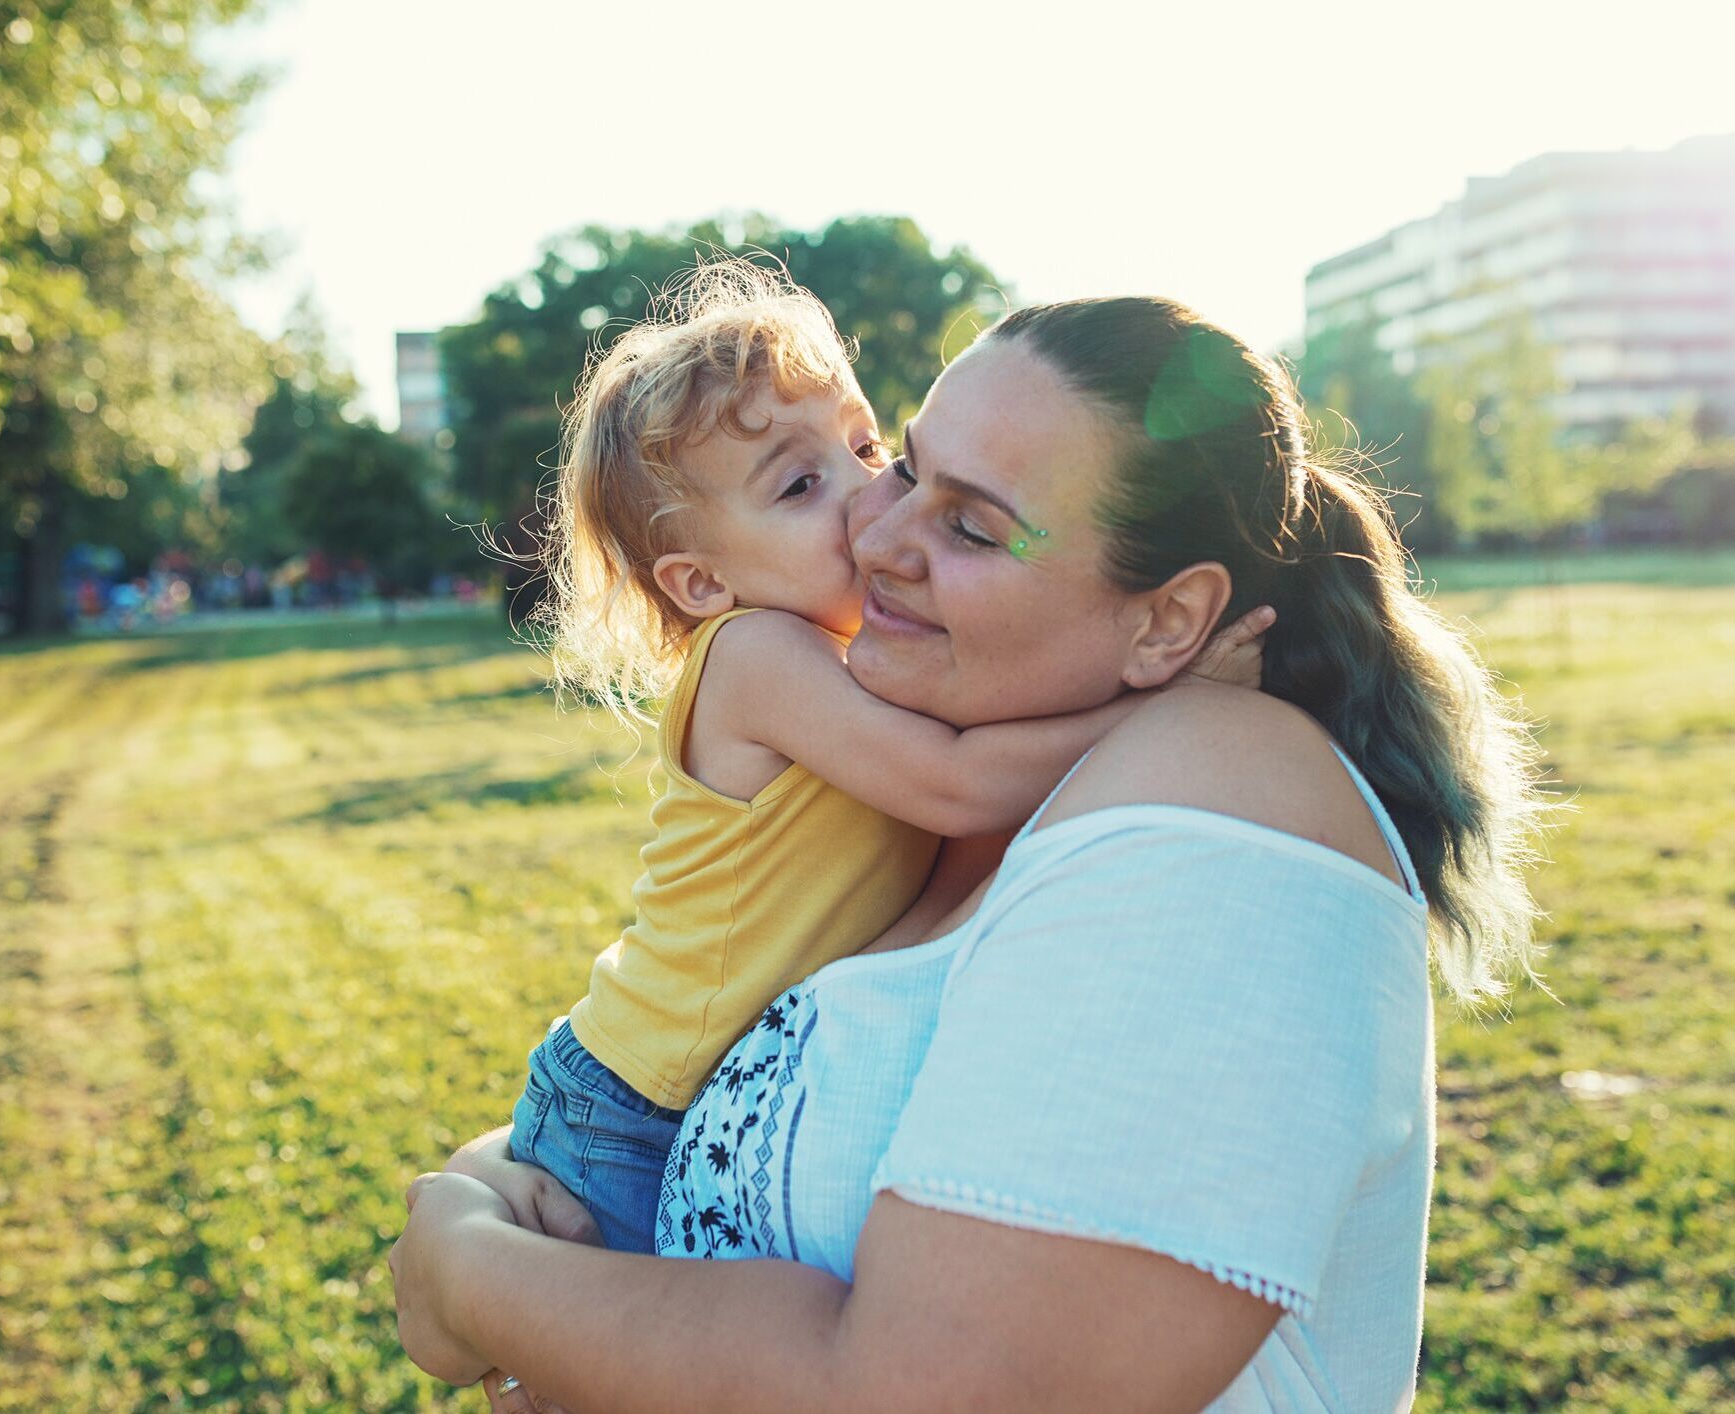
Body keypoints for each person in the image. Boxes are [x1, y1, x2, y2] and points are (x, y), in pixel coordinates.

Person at [391, 295, 1548, 1412]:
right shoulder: (937, 798)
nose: (876, 529)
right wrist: (489, 1192)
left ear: (1168, 625)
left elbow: (933, 1393)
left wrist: (475, 1275)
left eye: (972, 524)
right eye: (905, 464)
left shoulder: (1222, 793)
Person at [496, 263, 1270, 1254]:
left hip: (686, 1086)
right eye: (801, 483)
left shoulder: (846, 659)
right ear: (702, 580)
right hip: (631, 1103)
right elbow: (955, 780)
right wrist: (1171, 694)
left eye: (867, 446)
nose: (867, 496)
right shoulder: (754, 655)